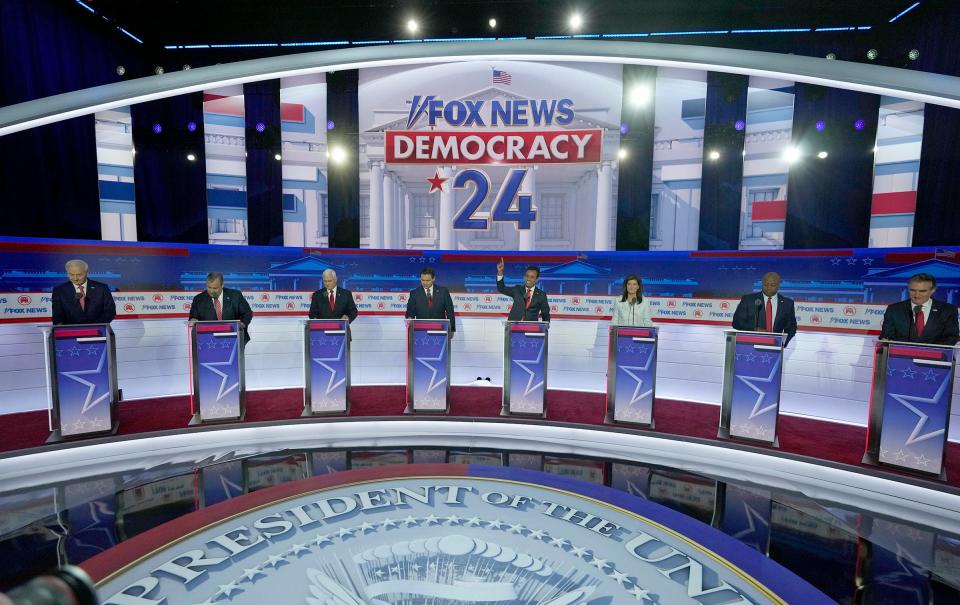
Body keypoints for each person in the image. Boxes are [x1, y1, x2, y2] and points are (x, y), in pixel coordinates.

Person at [880, 273, 959, 345]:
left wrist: (926, 352)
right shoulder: (894, 310)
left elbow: (951, 338)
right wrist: (885, 340)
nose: (917, 295)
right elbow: (887, 336)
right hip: (900, 357)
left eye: (922, 291)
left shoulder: (948, 310)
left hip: (934, 358)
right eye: (913, 290)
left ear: (933, 290)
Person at [731, 271, 797, 345]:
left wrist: (782, 343)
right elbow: (736, 322)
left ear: (778, 285)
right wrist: (754, 329)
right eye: (766, 284)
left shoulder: (787, 304)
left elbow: (791, 328)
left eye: (772, 285)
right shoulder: (748, 300)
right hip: (749, 346)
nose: (768, 287)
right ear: (762, 284)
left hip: (775, 347)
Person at [188, 272, 253, 343]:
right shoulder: (198, 299)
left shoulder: (235, 295)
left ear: (222, 285)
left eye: (215, 288)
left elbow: (247, 313)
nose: (211, 291)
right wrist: (193, 320)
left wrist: (242, 324)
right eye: (209, 287)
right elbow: (193, 317)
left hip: (235, 339)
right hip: (208, 341)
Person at [51, 259, 116, 325]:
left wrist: (94, 327)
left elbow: (110, 312)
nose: (75, 278)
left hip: (97, 330)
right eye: (71, 274)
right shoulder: (59, 290)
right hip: (71, 332)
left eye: (79, 275)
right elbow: (57, 316)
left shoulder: (102, 288)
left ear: (86, 272)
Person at [405, 267, 456, 336]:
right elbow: (410, 312)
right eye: (423, 280)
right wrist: (409, 320)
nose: (425, 283)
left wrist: (451, 329)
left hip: (440, 329)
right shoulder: (414, 293)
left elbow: (450, 311)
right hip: (421, 331)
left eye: (428, 280)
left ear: (433, 279)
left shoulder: (443, 291)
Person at [496, 258, 551, 322]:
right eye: (527, 276)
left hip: (531, 328)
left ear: (537, 279)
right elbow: (501, 288)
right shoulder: (517, 289)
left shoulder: (541, 295)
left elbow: (545, 314)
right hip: (513, 326)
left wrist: (546, 327)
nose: (528, 279)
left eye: (532, 277)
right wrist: (500, 272)